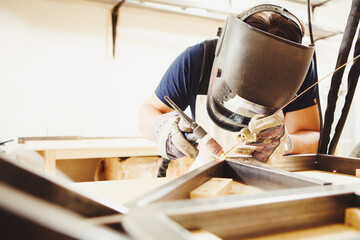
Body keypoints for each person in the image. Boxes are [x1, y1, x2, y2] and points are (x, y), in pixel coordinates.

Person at [138, 4, 321, 170]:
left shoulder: (297, 68)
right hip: (207, 176)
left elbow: (311, 136)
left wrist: (286, 143)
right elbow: (149, 112)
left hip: (270, 176)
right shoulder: (199, 59)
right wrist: (164, 130)